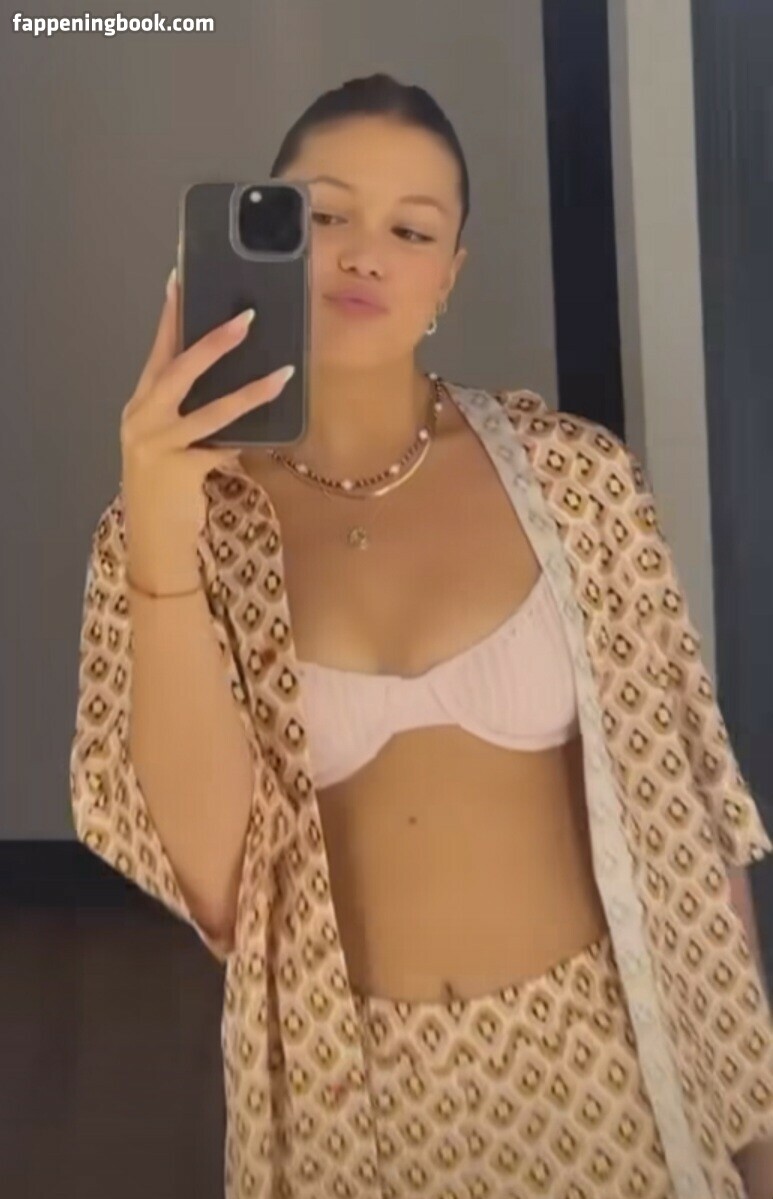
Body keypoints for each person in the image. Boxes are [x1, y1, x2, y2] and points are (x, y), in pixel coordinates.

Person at [70, 74, 773, 1199]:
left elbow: (685, 812)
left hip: (608, 1065)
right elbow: (215, 884)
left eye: (410, 230)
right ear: (256, 232)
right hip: (350, 1101)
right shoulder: (174, 530)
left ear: (448, 273)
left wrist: (757, 1128)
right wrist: (162, 533)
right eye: (322, 214)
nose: (364, 255)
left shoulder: (575, 481)